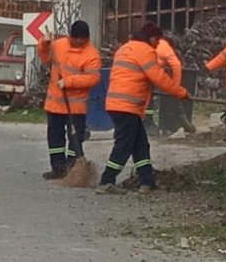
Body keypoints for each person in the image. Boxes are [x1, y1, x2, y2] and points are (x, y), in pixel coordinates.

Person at [96, 22, 189, 195]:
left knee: (140, 145)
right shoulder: (145, 51)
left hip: (116, 103)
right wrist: (180, 92)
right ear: (152, 38)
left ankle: (147, 182)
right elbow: (159, 78)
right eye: (157, 40)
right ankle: (106, 181)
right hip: (128, 105)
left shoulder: (124, 49)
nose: (157, 44)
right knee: (124, 145)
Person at [37, 20, 101, 179]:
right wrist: (44, 43)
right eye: (76, 38)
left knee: (75, 138)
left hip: (76, 107)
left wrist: (69, 82)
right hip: (55, 104)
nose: (79, 41)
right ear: (70, 36)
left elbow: (93, 78)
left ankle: (73, 167)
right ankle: (57, 168)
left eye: (82, 39)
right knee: (55, 137)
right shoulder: (58, 45)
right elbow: (45, 58)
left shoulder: (91, 54)